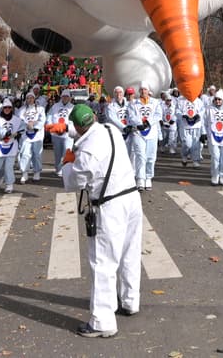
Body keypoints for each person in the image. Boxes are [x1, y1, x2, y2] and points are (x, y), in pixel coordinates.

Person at [61, 102, 142, 339]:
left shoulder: (86, 154)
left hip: (110, 205)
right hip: (131, 197)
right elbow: (86, 135)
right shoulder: (110, 130)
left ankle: (102, 321)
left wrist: (67, 161)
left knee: (103, 262)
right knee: (130, 253)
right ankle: (130, 300)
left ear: (77, 126)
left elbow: (74, 182)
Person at [128, 84, 162, 190]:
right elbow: (130, 116)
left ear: (148, 91)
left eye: (145, 89)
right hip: (138, 132)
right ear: (139, 91)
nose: (143, 91)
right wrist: (139, 124)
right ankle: (140, 179)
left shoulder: (155, 102)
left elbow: (158, 115)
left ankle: (148, 177)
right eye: (141, 90)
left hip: (151, 132)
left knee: (151, 157)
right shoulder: (133, 103)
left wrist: (148, 123)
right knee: (140, 156)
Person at [204, 90, 223, 185]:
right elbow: (204, 123)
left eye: (219, 100)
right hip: (213, 137)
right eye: (216, 99)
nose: (217, 101)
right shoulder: (209, 109)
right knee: (215, 157)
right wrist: (203, 133)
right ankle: (215, 175)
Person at [0, 99, 20, 193]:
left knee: (8, 167)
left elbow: (22, 128)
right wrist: (4, 133)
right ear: (2, 108)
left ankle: (9, 184)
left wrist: (18, 133)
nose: (7, 109)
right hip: (0, 146)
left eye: (9, 107)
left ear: (11, 109)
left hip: (12, 146)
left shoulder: (16, 119)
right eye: (5, 107)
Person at [16, 91, 46, 183]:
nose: (30, 100)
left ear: (34, 99)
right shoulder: (22, 109)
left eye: (31, 98)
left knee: (37, 154)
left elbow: (42, 119)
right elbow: (19, 121)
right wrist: (26, 125)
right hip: (25, 134)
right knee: (25, 153)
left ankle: (37, 172)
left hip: (37, 135)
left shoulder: (40, 109)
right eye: (28, 98)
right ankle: (24, 172)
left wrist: (35, 126)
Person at [47, 90, 77, 172]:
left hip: (68, 134)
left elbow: (75, 120)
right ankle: (58, 169)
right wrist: (52, 127)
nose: (65, 98)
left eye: (67, 96)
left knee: (67, 152)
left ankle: (66, 170)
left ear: (70, 98)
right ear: (61, 97)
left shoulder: (73, 107)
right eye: (64, 96)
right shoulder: (55, 106)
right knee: (57, 154)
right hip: (56, 133)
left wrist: (68, 128)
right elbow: (49, 117)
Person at [175, 89, 204, 167]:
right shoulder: (180, 100)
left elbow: (202, 110)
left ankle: (195, 160)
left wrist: (198, 115)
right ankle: (184, 156)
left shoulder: (198, 101)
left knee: (195, 144)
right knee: (187, 144)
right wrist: (182, 116)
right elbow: (177, 111)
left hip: (196, 125)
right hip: (185, 126)